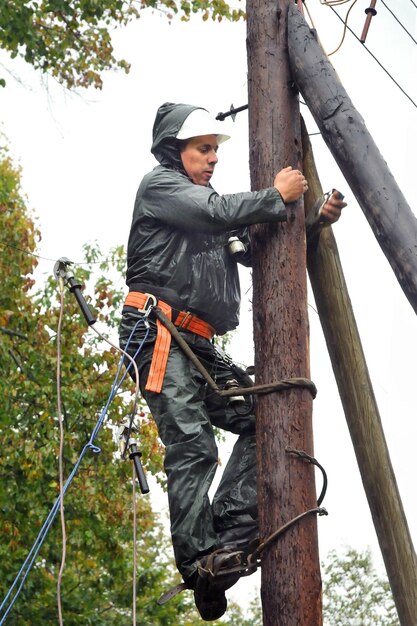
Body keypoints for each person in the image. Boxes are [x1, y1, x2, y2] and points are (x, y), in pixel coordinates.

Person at [119, 102, 346, 621]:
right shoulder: (163, 188)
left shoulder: (209, 209)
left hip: (196, 342)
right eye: (204, 149)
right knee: (193, 442)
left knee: (265, 419)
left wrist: (311, 223)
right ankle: (200, 561)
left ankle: (227, 540)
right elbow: (220, 212)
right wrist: (275, 195)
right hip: (156, 330)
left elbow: (258, 244)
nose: (213, 159)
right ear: (175, 151)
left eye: (216, 150)